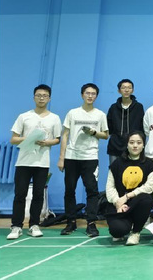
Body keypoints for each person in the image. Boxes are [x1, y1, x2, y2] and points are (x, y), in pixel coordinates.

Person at [7, 84, 62, 240]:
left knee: (38, 195)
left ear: (49, 98)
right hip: (23, 162)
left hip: (42, 162)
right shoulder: (24, 116)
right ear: (34, 98)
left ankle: (34, 225)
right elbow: (13, 139)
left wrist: (46, 142)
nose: (41, 98)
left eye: (45, 96)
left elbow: (57, 139)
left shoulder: (54, 118)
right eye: (38, 95)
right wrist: (28, 138)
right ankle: (16, 226)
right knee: (20, 194)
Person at [58, 83, 109, 238]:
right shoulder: (72, 113)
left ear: (96, 96)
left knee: (92, 191)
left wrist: (93, 132)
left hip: (90, 157)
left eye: (93, 94)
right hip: (72, 157)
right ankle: (71, 222)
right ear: (82, 95)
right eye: (87, 93)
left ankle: (91, 223)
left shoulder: (100, 115)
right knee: (69, 190)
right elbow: (65, 135)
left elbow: (105, 135)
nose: (90, 96)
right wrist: (61, 158)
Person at [105, 131, 153, 245]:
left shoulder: (149, 164)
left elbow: (149, 187)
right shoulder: (117, 163)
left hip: (137, 205)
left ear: (143, 145)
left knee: (146, 199)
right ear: (127, 144)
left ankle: (135, 232)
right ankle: (124, 228)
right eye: (132, 142)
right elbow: (110, 187)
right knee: (117, 231)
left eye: (139, 142)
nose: (135, 146)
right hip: (120, 206)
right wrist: (117, 202)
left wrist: (127, 196)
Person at [106, 79, 144, 167]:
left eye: (129, 88)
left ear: (132, 90)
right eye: (123, 88)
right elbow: (109, 126)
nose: (126, 90)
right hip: (115, 146)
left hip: (133, 146)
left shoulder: (138, 107)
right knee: (114, 172)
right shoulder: (113, 107)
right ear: (119, 91)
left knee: (133, 172)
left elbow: (141, 127)